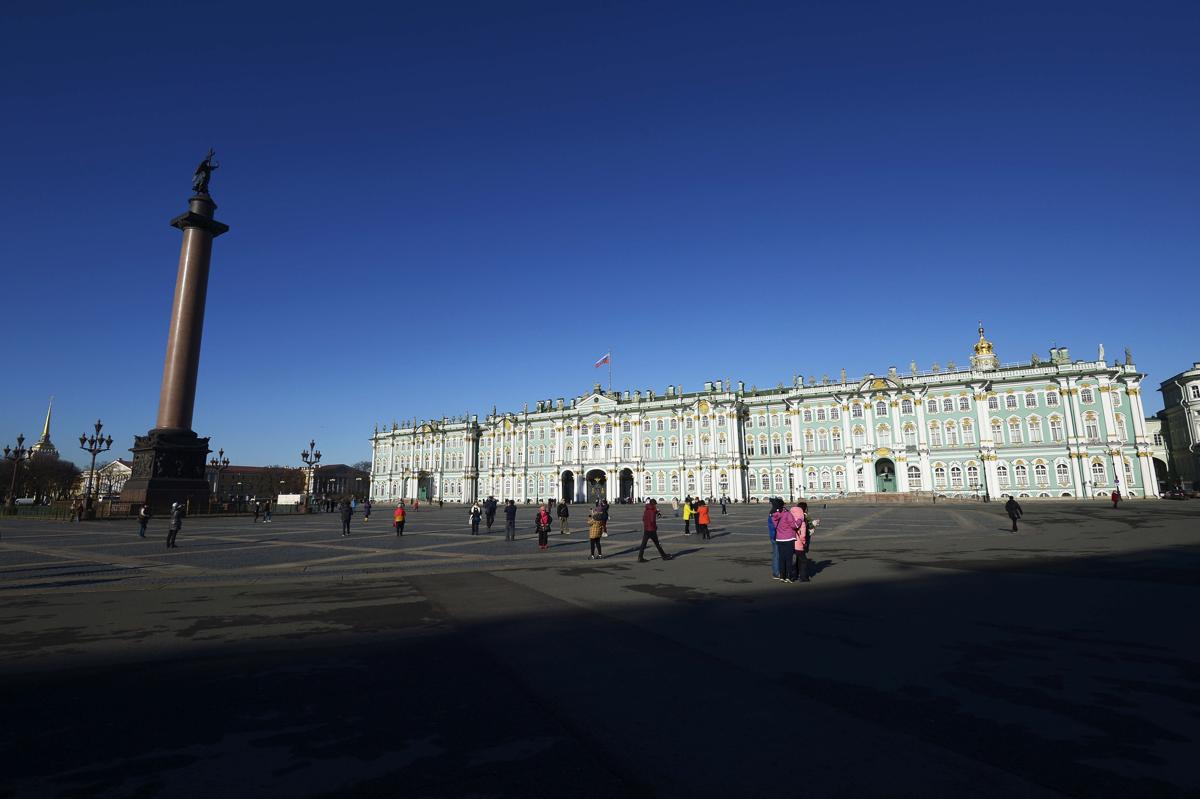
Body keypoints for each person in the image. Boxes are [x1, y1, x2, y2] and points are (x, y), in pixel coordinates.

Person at [771, 500, 800, 581]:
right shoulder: (787, 514)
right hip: (788, 538)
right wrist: (800, 520)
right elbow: (794, 525)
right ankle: (788, 576)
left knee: (781, 558)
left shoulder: (774, 515)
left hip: (779, 538)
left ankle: (782, 576)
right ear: (783, 505)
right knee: (788, 558)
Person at [790, 501, 817, 582]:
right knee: (803, 560)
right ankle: (803, 577)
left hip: (790, 542)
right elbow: (803, 534)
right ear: (805, 509)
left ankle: (794, 576)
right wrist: (813, 525)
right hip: (799, 543)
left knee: (797, 559)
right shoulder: (803, 518)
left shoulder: (791, 516)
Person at [768, 498, 783, 580]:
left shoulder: (772, 512)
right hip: (777, 537)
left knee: (776, 554)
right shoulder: (775, 514)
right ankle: (776, 573)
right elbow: (774, 527)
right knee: (777, 555)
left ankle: (777, 571)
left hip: (774, 536)